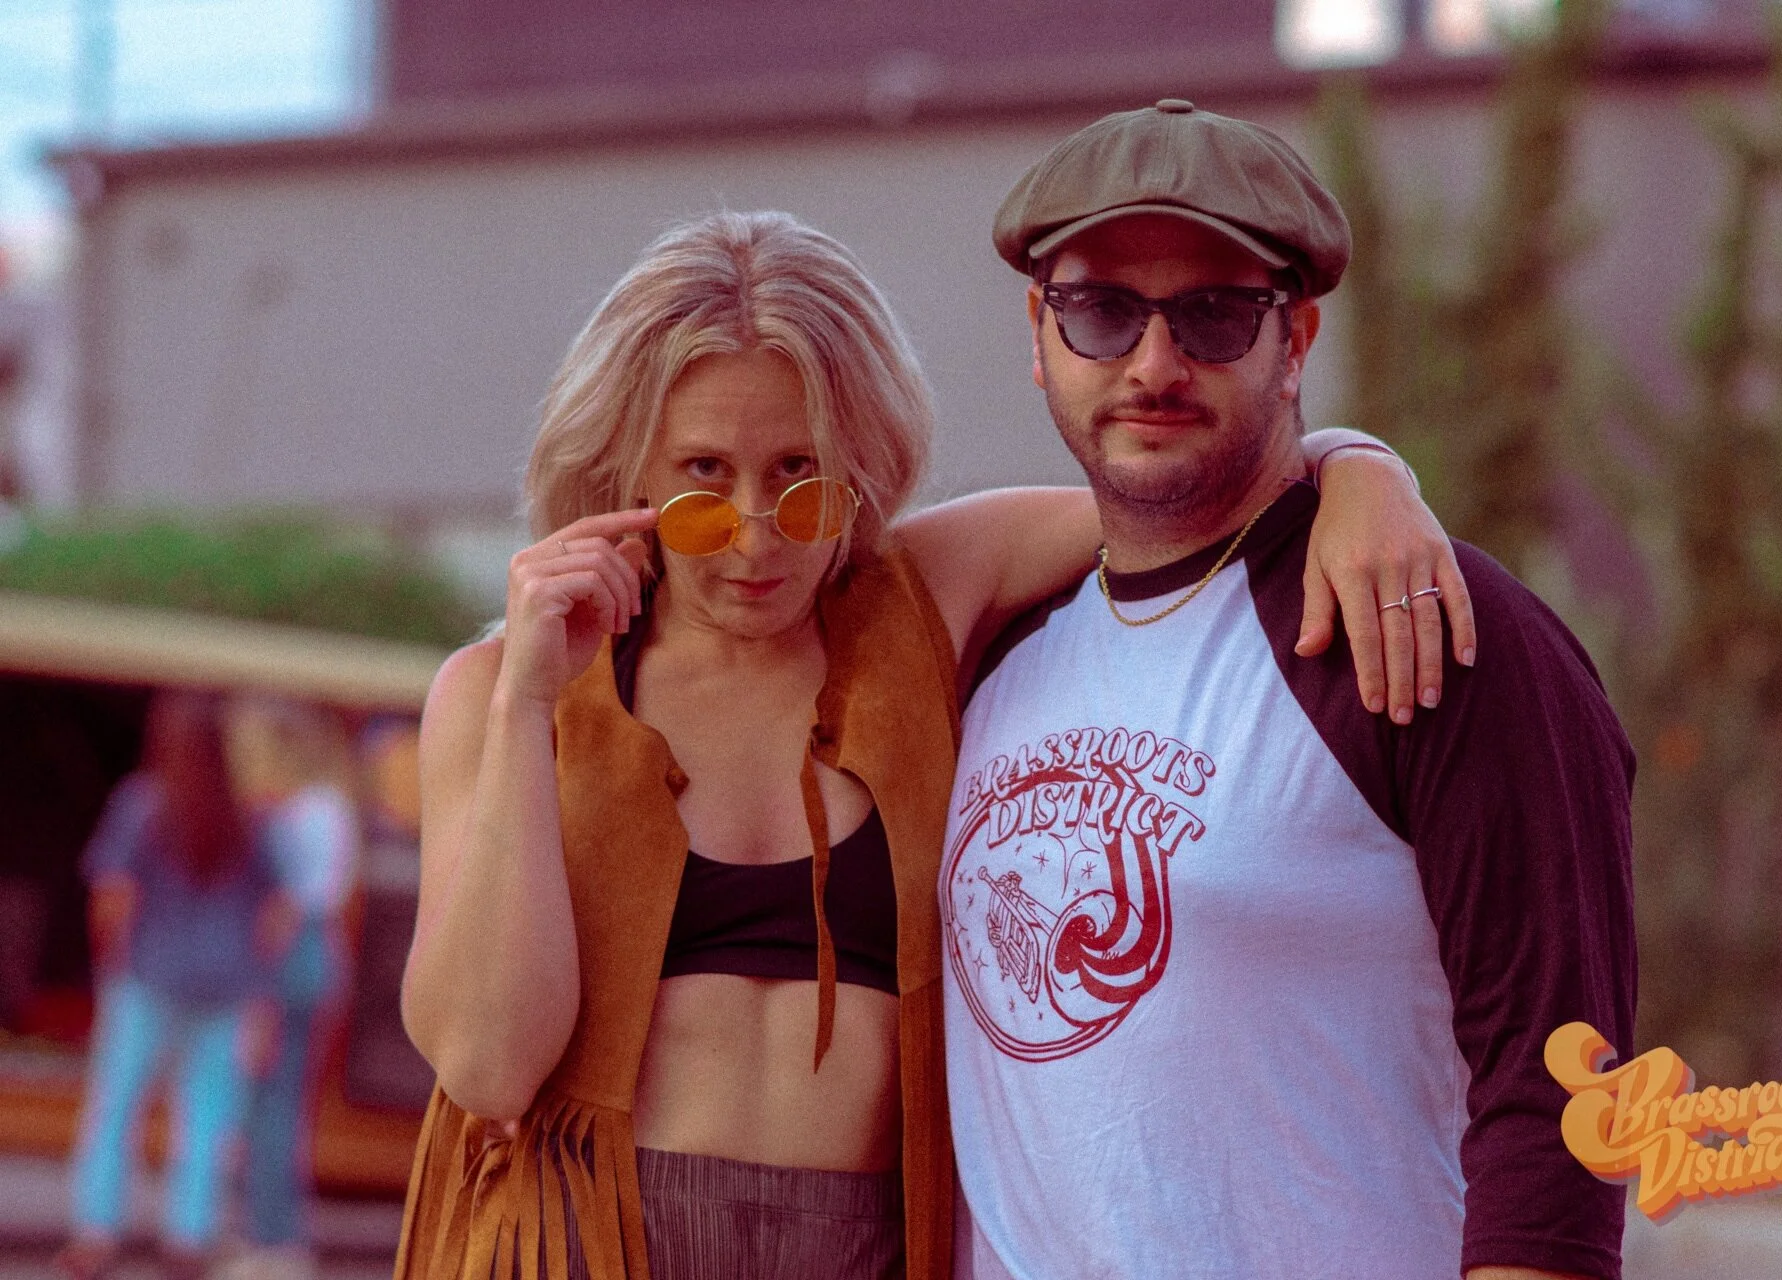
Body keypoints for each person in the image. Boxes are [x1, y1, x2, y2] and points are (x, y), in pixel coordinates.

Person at [393, 209, 1474, 1280]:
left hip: (864, 1246)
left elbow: (1190, 499)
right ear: (633, 469)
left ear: (861, 462)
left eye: (801, 477)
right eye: (704, 480)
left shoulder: (924, 599)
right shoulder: (504, 693)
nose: (757, 535)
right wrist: (527, 703)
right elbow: (489, 1066)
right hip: (584, 1243)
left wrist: (1360, 466)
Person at [940, 100, 1638, 1280]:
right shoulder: (989, 646)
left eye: (1215, 314)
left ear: (1296, 338)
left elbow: (1561, 1087)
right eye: (1102, 311)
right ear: (1040, 331)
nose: (1153, 364)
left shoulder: (1421, 628)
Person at [60, 690, 290, 1280]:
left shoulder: (142, 804)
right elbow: (276, 913)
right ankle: (189, 1238)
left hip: (149, 978)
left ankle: (96, 1235)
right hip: (228, 987)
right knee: (208, 1119)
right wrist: (261, 988)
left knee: (116, 1110)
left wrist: (109, 965)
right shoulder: (246, 814)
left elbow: (113, 896)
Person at [223, 699, 360, 1280]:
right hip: (311, 957)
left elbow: (285, 909)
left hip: (287, 961)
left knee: (270, 1107)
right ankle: (273, 1236)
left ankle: (275, 1243)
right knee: (277, 1105)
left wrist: (255, 993)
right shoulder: (329, 806)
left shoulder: (301, 812)